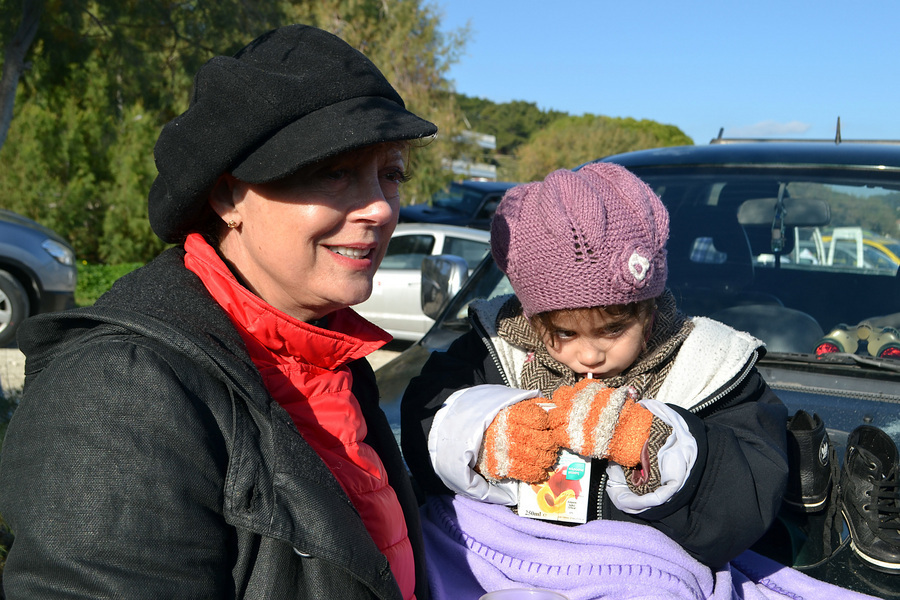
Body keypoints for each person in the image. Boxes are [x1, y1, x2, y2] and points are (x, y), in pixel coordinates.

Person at [0, 24, 436, 599]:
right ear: (229, 196)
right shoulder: (122, 391)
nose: (380, 207)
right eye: (335, 172)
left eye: (392, 174)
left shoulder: (329, 359)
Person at [400, 163, 790, 571]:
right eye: (565, 334)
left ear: (649, 310)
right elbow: (425, 419)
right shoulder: (493, 348)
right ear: (532, 319)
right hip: (502, 565)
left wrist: (651, 443)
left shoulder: (708, 365)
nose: (589, 356)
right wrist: (480, 435)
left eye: (613, 330)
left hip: (638, 573)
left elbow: (747, 499)